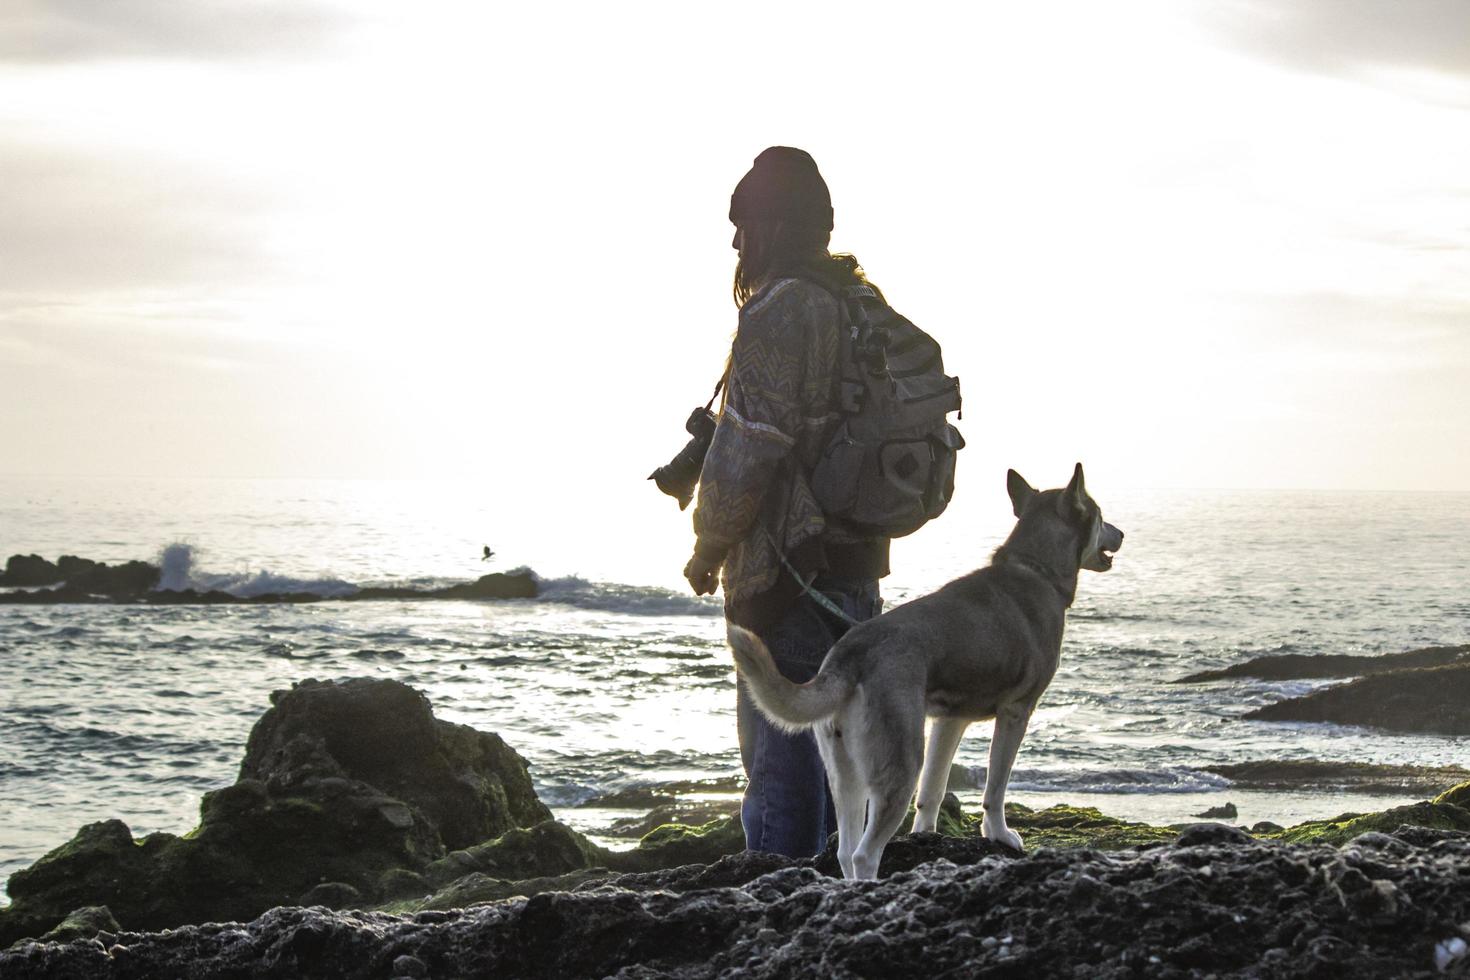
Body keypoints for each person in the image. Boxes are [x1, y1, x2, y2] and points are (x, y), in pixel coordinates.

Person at [683, 147, 890, 858]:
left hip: (786, 579)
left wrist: (709, 547)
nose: (735, 241)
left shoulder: (781, 309)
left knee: (782, 777)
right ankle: (838, 923)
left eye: (743, 223)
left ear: (772, 225)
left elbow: (750, 450)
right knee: (844, 771)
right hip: (857, 576)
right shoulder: (857, 301)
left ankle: (775, 926)